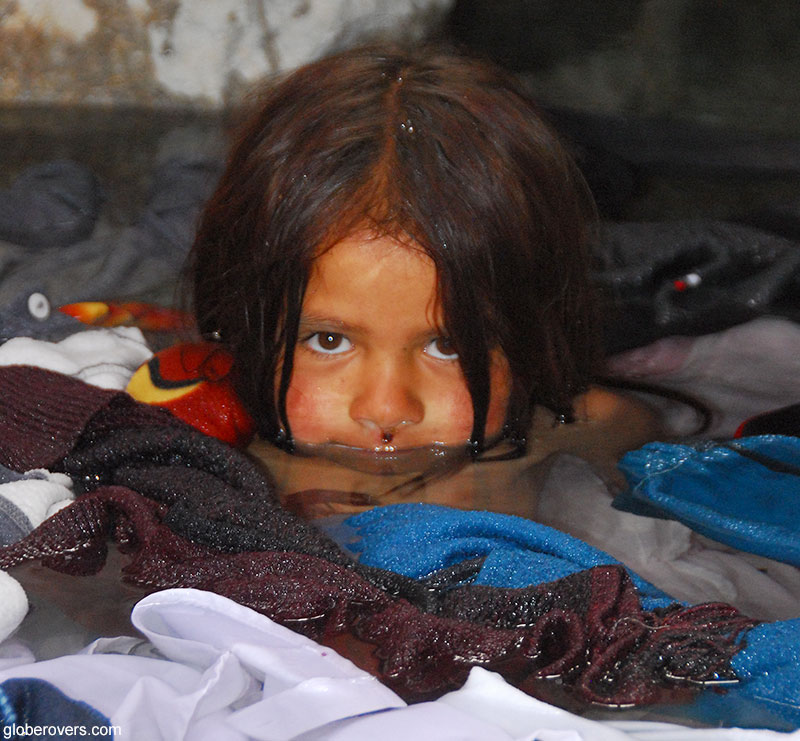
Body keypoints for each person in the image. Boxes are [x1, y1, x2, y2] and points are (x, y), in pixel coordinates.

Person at [189, 44, 670, 519]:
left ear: (534, 334)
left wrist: (521, 456)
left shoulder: (554, 428)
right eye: (329, 340)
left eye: (449, 346)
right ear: (244, 321)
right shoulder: (201, 452)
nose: (386, 409)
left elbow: (624, 420)